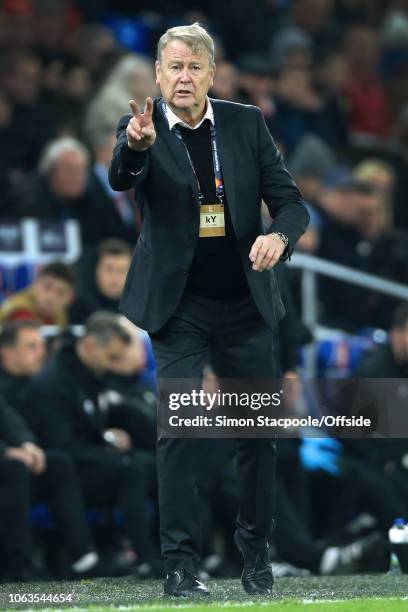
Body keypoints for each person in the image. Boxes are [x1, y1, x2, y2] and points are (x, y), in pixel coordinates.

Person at [109, 23, 309, 597]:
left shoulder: (245, 123)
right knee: (179, 430)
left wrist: (281, 239)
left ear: (211, 74)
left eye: (195, 67)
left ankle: (255, 554)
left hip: (244, 303)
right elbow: (123, 174)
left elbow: (291, 204)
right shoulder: (141, 126)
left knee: (256, 435)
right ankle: (179, 565)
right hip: (180, 307)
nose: (184, 78)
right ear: (157, 74)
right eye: (174, 67)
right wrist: (136, 146)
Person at [20, 312, 157, 577]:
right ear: (91, 346)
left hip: (87, 462)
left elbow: (95, 423)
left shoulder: (91, 373)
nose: (114, 364)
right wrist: (107, 445)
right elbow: (63, 446)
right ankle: (143, 558)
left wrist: (109, 437)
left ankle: (169, 552)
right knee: (132, 470)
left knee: (154, 465)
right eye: (112, 357)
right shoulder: (54, 383)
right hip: (63, 473)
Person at [69, 239, 132, 324]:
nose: (115, 278)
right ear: (95, 271)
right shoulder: (73, 307)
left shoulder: (141, 310)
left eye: (122, 270)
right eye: (109, 269)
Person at [0, 262, 75, 326]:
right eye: (47, 287)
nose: (51, 297)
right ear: (35, 284)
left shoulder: (61, 316)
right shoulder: (20, 311)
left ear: (69, 298)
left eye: (60, 292)